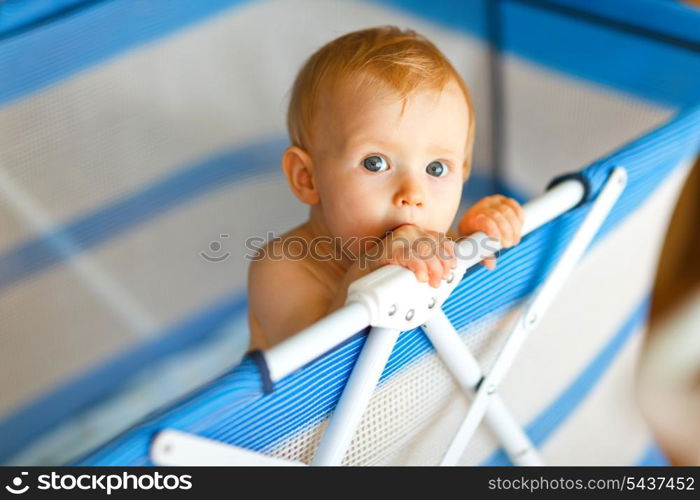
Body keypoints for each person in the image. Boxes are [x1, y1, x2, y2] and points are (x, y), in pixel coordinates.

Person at [248, 26, 524, 351]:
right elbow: (312, 374)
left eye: (436, 168)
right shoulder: (283, 267)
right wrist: (372, 266)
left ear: (463, 173)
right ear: (307, 178)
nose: (413, 193)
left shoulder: (431, 243)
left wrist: (475, 245)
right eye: (375, 163)